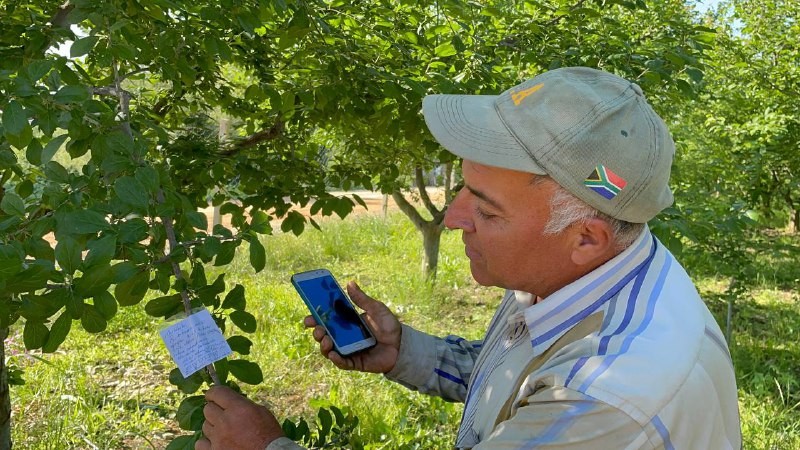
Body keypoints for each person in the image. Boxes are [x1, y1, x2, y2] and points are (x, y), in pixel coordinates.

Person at [196, 67, 742, 449]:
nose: (453, 217)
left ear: (586, 238)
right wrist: (404, 352)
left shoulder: (606, 397)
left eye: (486, 207)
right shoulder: (581, 270)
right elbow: (517, 379)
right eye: (463, 188)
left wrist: (265, 447)